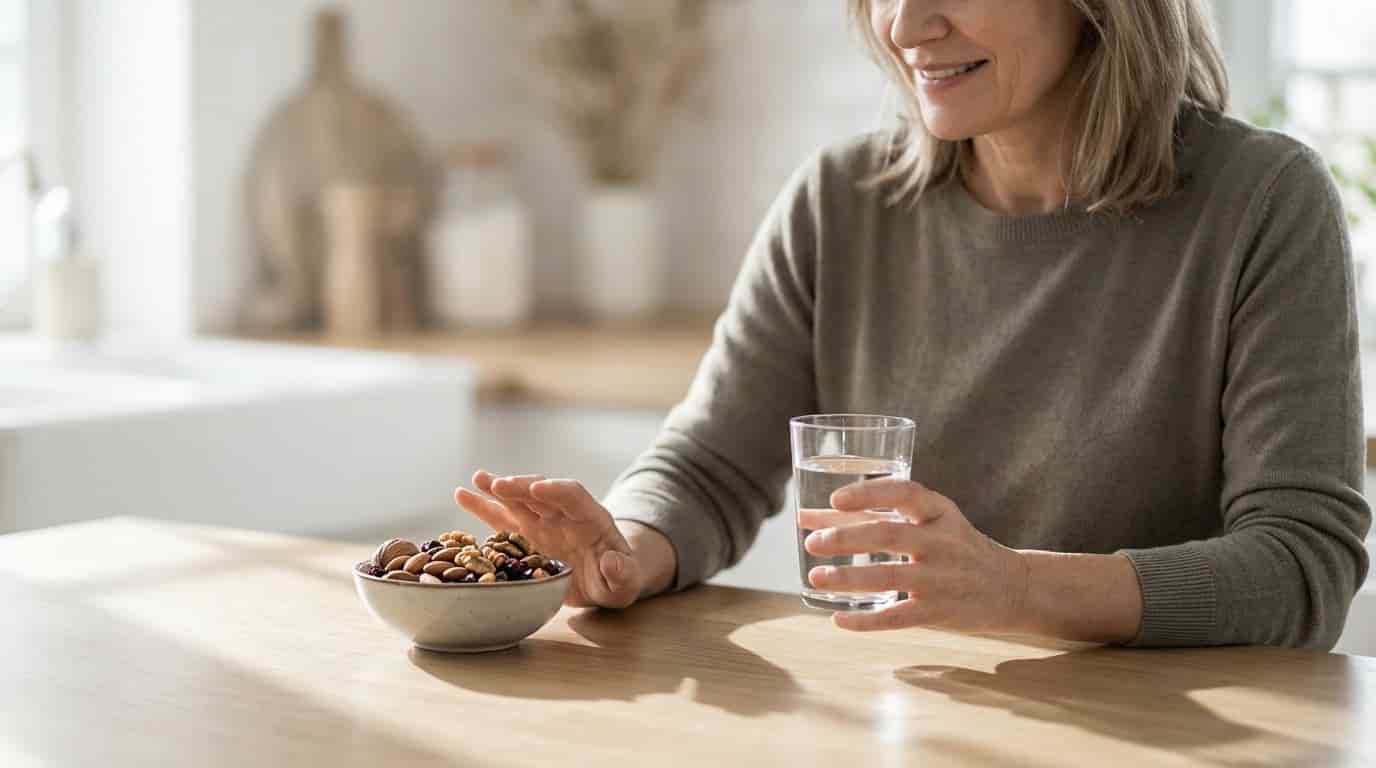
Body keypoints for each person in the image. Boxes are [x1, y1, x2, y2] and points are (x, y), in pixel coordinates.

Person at [456, 0, 1371, 649]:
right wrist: (624, 549)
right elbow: (707, 470)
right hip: (903, 724)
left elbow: (1302, 566)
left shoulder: (1262, 203)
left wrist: (1017, 587)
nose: (903, 25)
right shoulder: (840, 201)